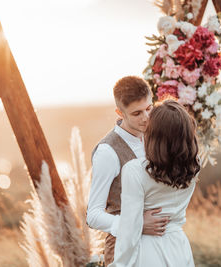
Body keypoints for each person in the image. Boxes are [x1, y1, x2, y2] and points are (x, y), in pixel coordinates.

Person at [86, 76, 170, 266]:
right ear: (120, 112)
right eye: (137, 113)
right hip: (122, 249)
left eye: (149, 109)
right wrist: (136, 225)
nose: (146, 118)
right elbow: (93, 215)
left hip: (157, 245)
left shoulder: (154, 137)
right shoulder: (107, 152)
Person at [109, 99, 201, 267]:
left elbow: (129, 231)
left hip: (147, 251)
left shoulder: (135, 170)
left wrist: (118, 265)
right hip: (179, 248)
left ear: (154, 135)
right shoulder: (193, 166)